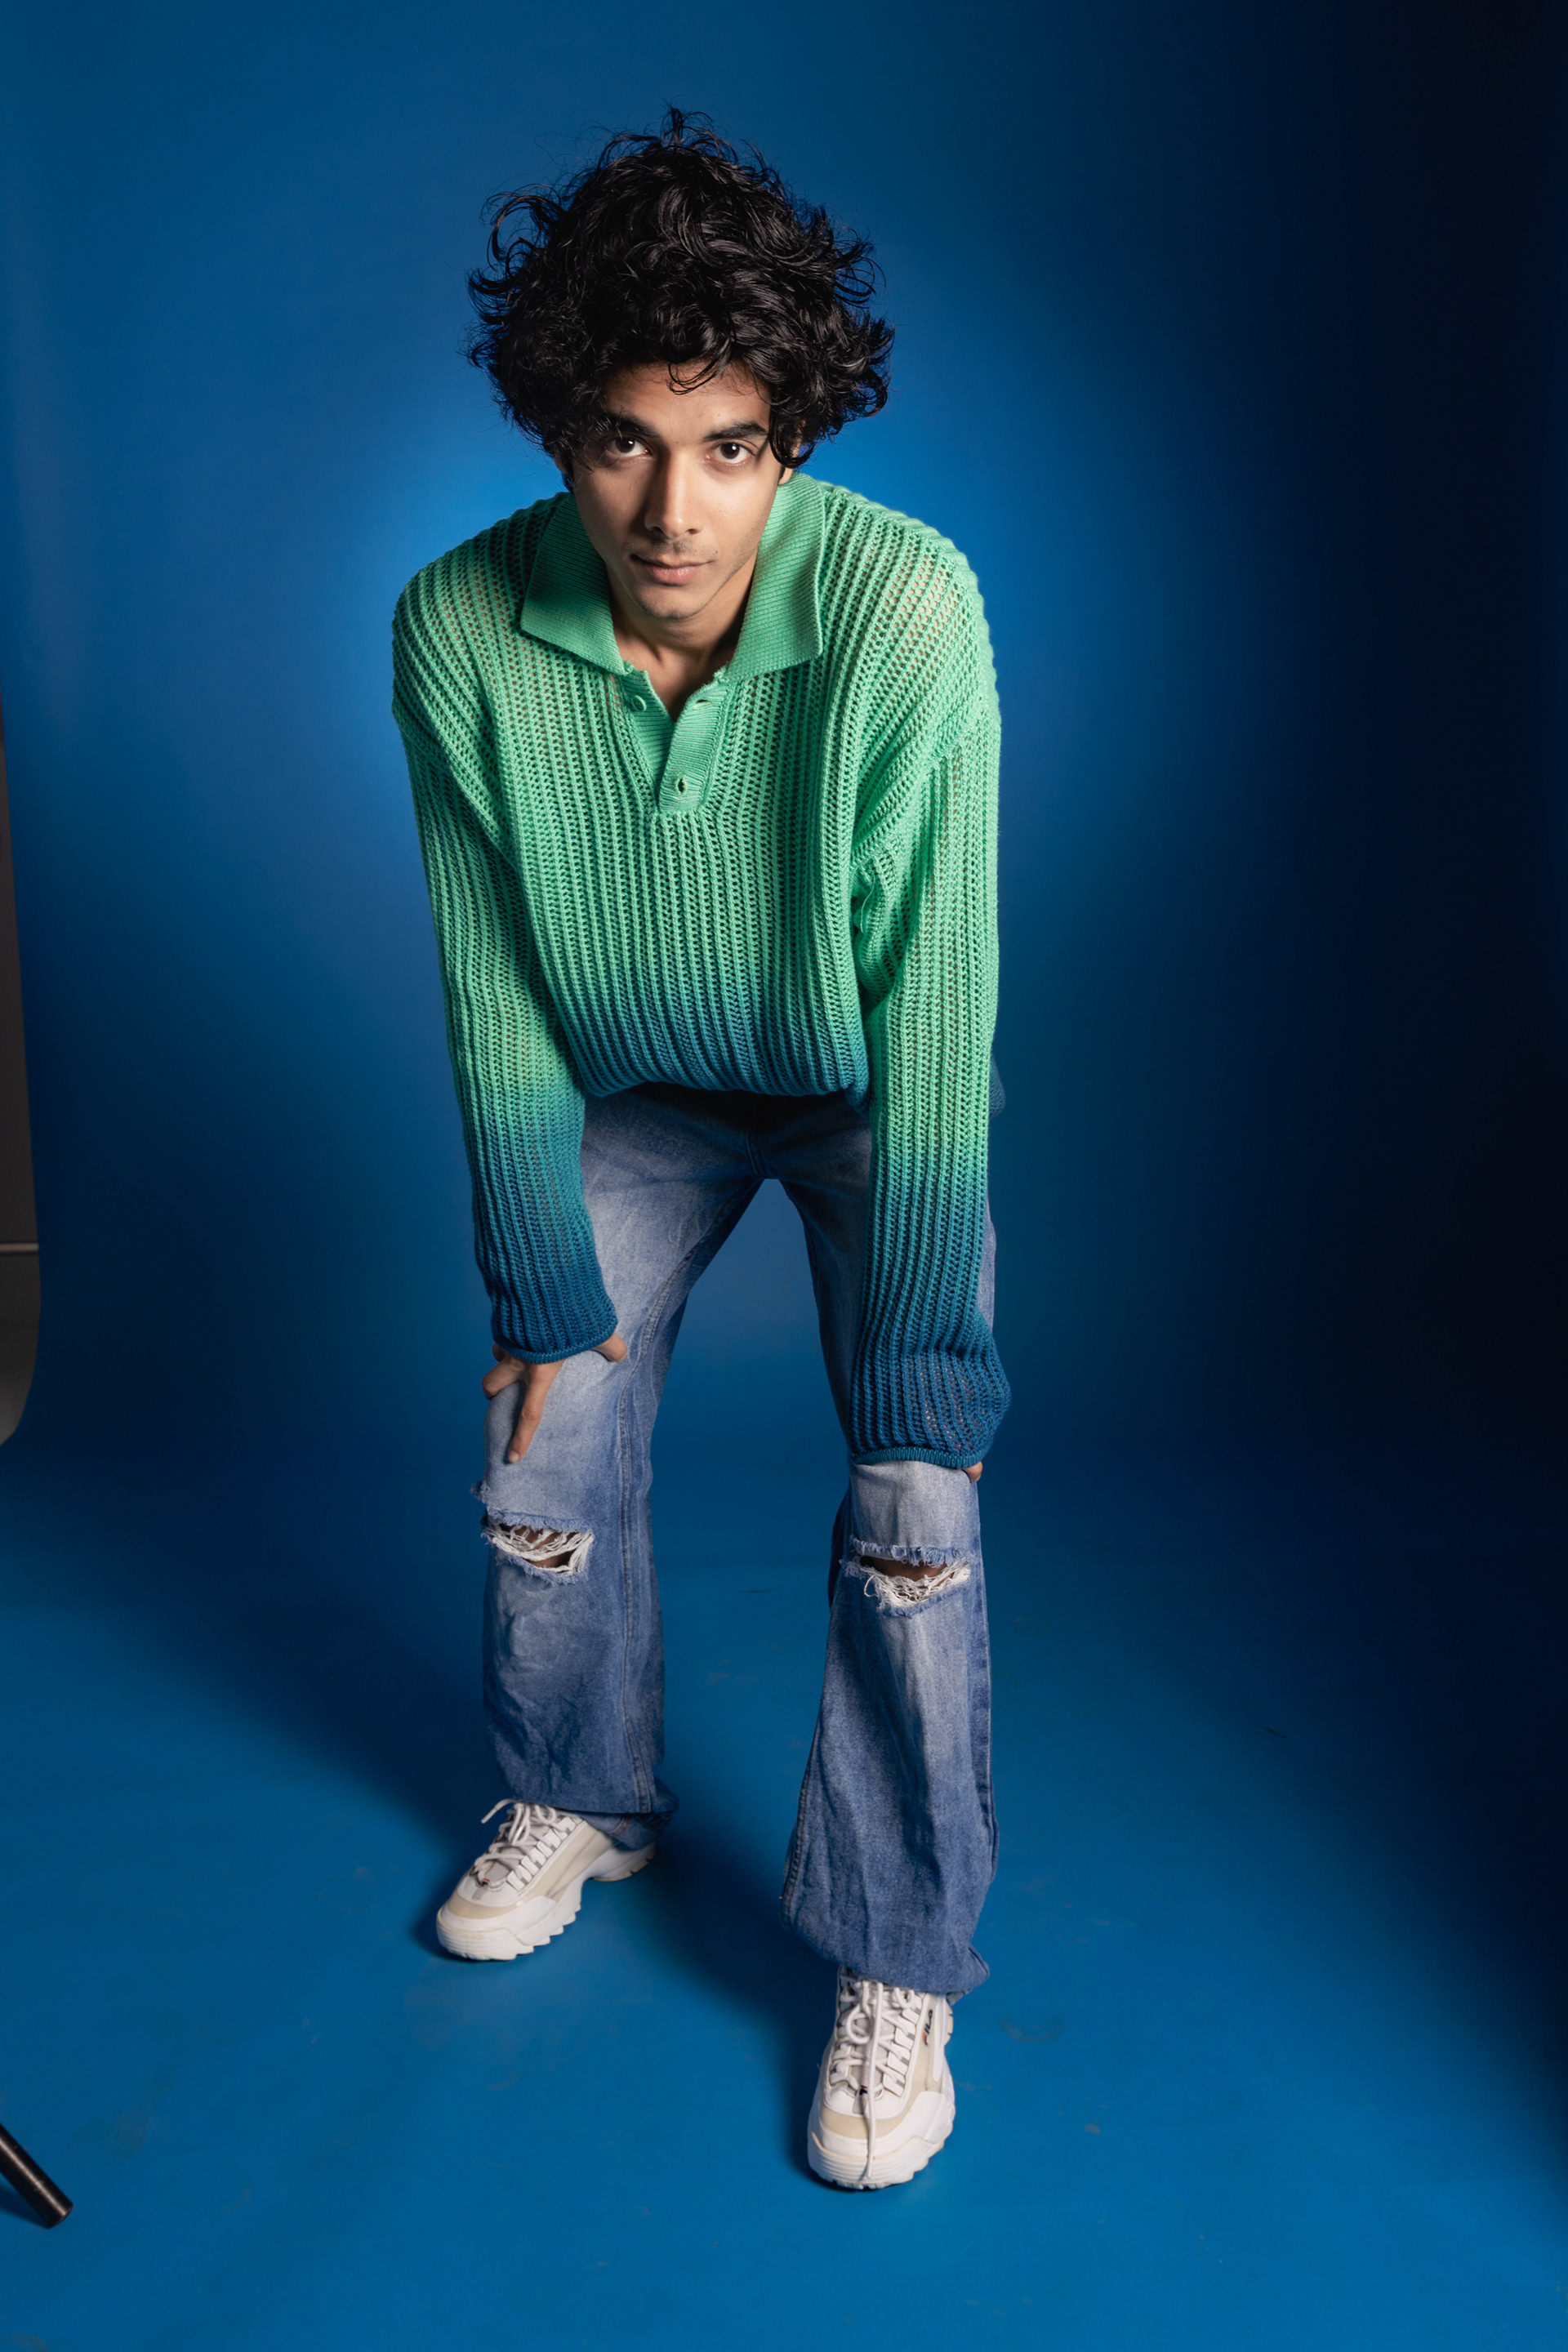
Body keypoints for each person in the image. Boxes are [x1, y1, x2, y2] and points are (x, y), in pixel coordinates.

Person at [392, 112, 1008, 2191]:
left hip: (866, 1086)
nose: (674, 509)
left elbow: (941, 1003)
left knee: (917, 1492)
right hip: (635, 1089)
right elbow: (490, 981)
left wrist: (922, 1361)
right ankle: (580, 1792)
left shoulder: (907, 609)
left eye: (730, 445)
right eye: (623, 443)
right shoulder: (457, 624)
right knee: (543, 1438)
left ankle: (897, 1953)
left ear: (792, 437)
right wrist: (537, 1289)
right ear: (557, 431)